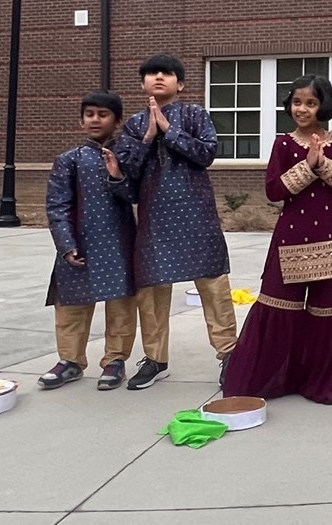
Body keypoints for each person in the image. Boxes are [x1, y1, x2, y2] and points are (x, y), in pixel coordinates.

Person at [221, 75, 332, 404]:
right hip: (290, 240)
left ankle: (322, 383)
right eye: (297, 102)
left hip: (330, 240)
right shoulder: (283, 144)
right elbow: (273, 191)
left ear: (323, 106)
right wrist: (306, 166)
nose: (302, 109)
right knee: (277, 308)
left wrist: (322, 163)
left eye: (310, 103)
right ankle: (271, 379)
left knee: (326, 313)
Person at [114, 53, 236, 390]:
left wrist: (168, 131)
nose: (158, 78)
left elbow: (207, 154)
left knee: (213, 286)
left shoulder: (195, 114)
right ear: (142, 83)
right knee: (152, 291)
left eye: (166, 73)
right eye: (151, 73)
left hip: (196, 214)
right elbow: (127, 175)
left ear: (179, 83)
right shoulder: (135, 125)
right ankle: (155, 358)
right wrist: (149, 137)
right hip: (154, 219)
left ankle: (230, 355)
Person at [40, 90, 139, 390]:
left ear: (117, 120)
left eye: (103, 114)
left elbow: (136, 195)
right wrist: (66, 244)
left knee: (121, 304)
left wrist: (117, 175)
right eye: (89, 114)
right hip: (78, 245)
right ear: (82, 120)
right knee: (71, 305)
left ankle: (115, 360)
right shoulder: (69, 160)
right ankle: (70, 361)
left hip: (119, 243)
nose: (95, 120)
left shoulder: (128, 157)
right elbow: (57, 205)